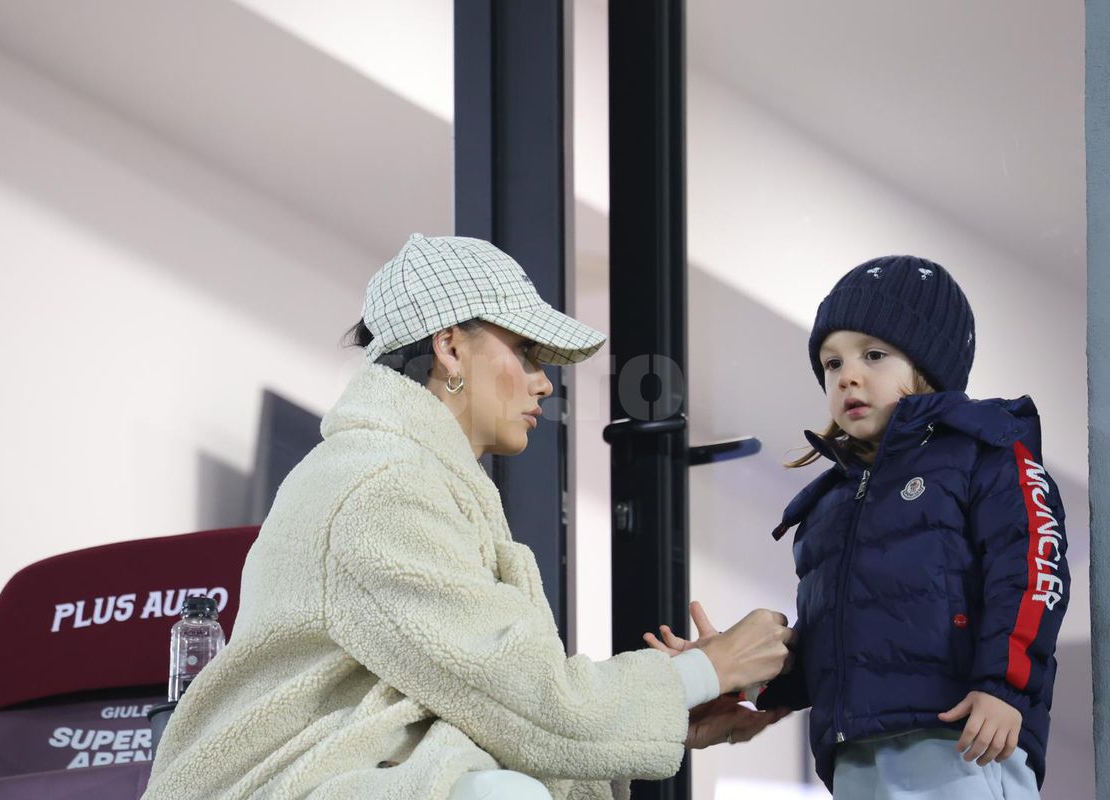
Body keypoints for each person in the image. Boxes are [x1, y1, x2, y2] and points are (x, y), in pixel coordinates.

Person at [142, 234, 794, 800]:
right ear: (450, 348)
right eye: (527, 354)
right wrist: (708, 667)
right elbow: (518, 695)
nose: (544, 383)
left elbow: (502, 709)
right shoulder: (381, 484)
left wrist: (672, 713)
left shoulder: (416, 478)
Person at [654, 255, 1067, 798]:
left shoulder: (986, 453)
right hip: (856, 760)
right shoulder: (829, 503)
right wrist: (743, 674)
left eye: (874, 355)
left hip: (963, 742)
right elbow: (843, 641)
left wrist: (1005, 687)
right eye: (831, 363)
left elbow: (1034, 572)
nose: (847, 375)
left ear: (930, 366)